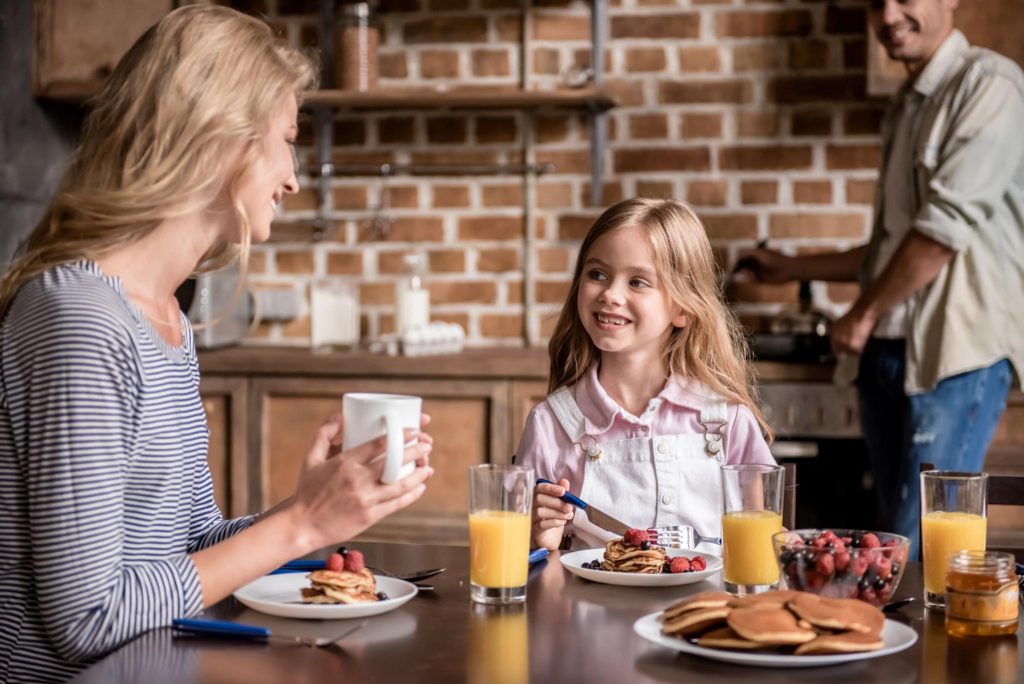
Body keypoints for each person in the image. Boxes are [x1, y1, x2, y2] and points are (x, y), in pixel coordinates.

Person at [0, 7, 434, 682]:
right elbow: (86, 619)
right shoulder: (80, 320)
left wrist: (312, 508)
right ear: (220, 137)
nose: (293, 177)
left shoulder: (165, 319)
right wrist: (298, 529)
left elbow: (190, 545)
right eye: (287, 140)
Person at [737, 0, 1024, 557]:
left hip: (953, 357)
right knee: (892, 533)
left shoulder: (991, 87)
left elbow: (941, 232)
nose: (888, 15)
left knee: (917, 542)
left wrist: (862, 313)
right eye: (875, 3)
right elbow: (891, 249)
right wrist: (793, 268)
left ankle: (916, 646)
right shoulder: (907, 106)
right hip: (889, 352)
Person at [516, 198, 776, 552]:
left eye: (637, 282)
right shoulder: (551, 424)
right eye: (597, 274)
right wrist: (541, 540)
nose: (610, 294)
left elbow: (764, 551)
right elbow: (523, 566)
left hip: (706, 607)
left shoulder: (728, 422)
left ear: (683, 308)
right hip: (590, 608)